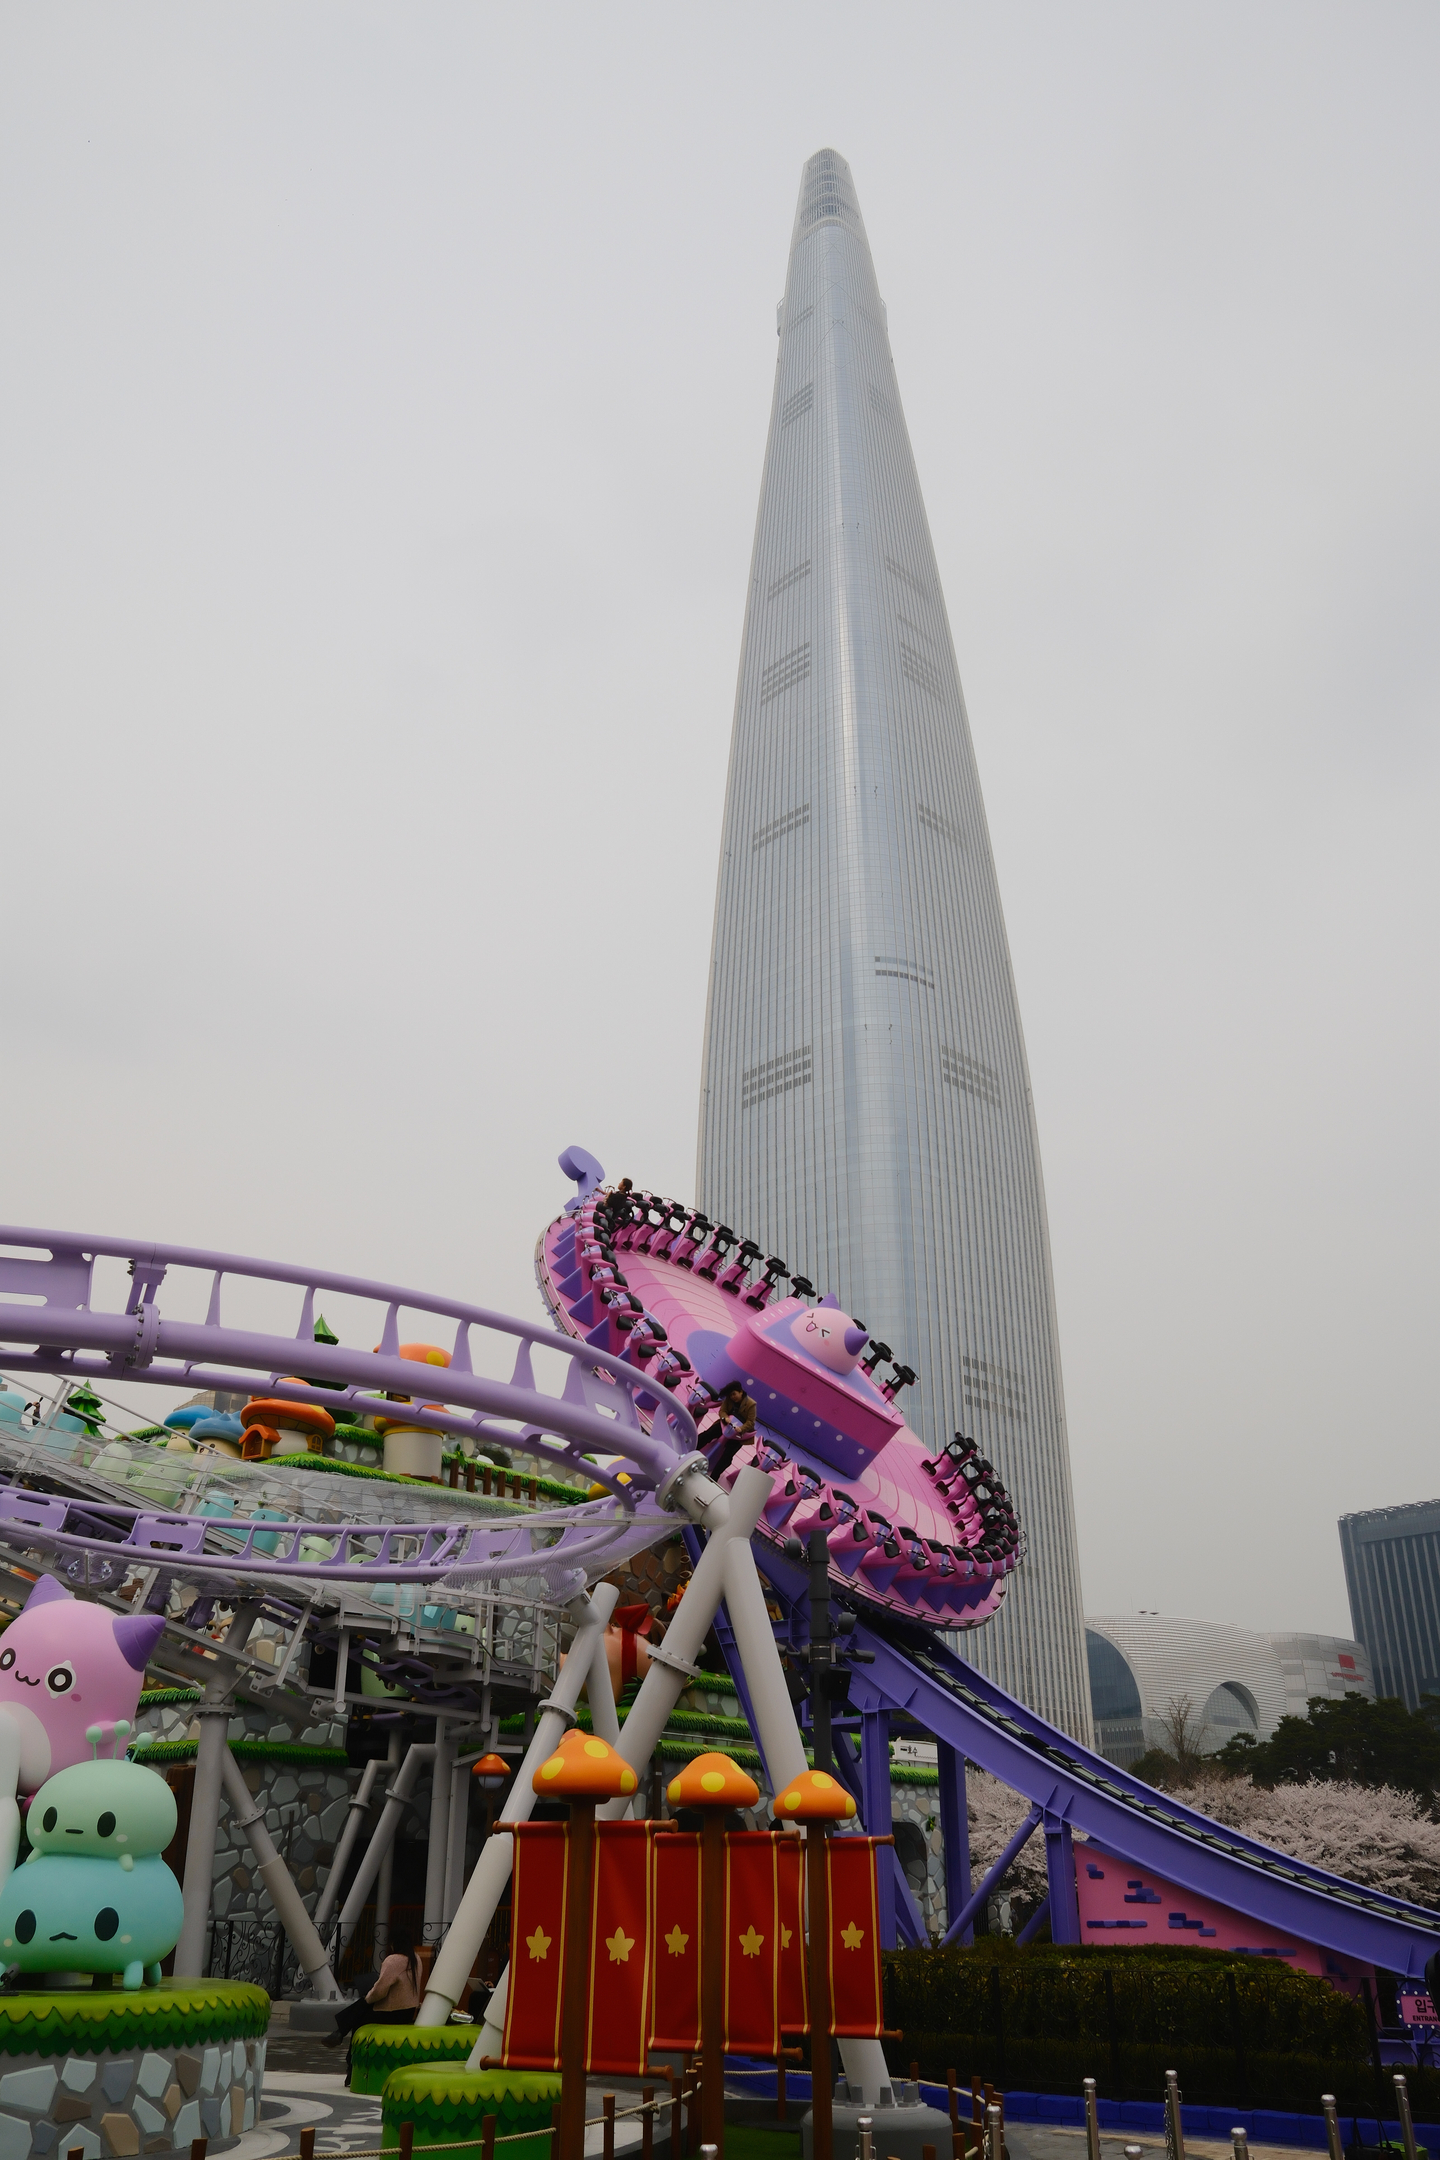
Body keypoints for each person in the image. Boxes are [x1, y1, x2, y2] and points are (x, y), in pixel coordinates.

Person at [322, 1928, 424, 2071]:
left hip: (391, 2012)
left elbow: (380, 1991)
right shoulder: (416, 1959)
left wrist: (368, 1997)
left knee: (359, 2018)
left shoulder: (393, 1960)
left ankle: (348, 2057)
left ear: (394, 1943)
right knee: (361, 2008)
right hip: (408, 2011)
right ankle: (339, 2033)